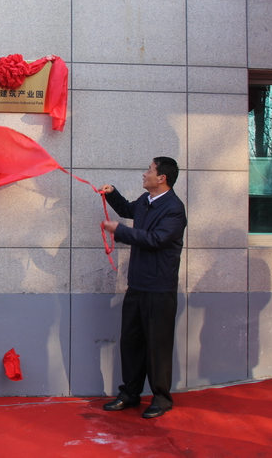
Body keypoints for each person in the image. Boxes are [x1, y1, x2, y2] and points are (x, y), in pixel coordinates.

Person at [99, 157, 187, 419]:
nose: (144, 173)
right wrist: (112, 194)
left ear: (162, 178)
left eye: (149, 169)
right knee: (131, 342)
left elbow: (156, 239)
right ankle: (130, 393)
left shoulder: (174, 209)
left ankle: (161, 398)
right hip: (137, 285)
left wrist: (120, 231)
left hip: (159, 289)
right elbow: (128, 209)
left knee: (157, 346)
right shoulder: (145, 201)